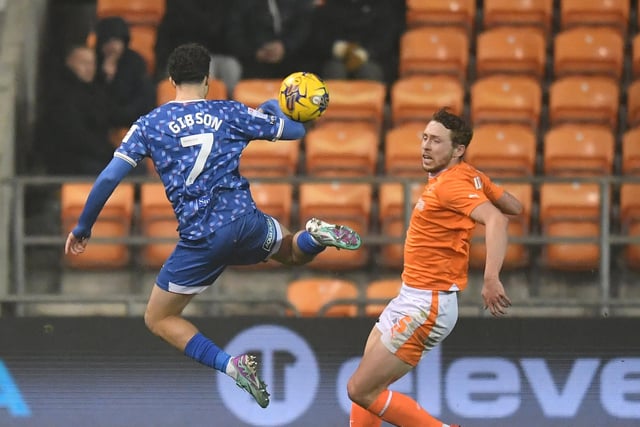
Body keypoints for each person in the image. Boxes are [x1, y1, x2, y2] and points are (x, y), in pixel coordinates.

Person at [64, 42, 361, 409]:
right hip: (245, 221)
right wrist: (271, 109)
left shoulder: (148, 125)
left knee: (158, 317)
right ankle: (316, 235)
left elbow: (109, 178)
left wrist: (83, 226)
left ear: (171, 79)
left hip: (201, 237)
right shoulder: (228, 112)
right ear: (208, 79)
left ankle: (233, 367)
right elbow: (295, 133)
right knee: (291, 252)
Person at [347, 109, 522, 427]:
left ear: (458, 150)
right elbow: (514, 206)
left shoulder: (451, 185)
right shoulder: (465, 177)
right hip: (411, 296)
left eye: (436, 141)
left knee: (359, 389)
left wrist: (491, 277)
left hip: (426, 303)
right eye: (425, 138)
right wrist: (482, 183)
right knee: (369, 383)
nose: (426, 147)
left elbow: (497, 219)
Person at [37, 44, 114, 175]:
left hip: (91, 156)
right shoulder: (62, 95)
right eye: (83, 63)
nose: (89, 68)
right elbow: (75, 136)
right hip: (70, 161)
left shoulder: (93, 91)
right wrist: (109, 154)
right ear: (69, 64)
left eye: (92, 63)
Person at [153, 0, 242, 96]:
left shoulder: (223, 5)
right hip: (183, 57)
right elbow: (165, 41)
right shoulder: (178, 5)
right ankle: (201, 108)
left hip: (216, 55)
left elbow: (230, 36)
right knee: (206, 67)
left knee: (231, 66)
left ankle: (229, 106)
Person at [310, 0, 404, 84]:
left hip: (371, 57)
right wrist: (338, 48)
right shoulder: (330, 6)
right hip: (336, 57)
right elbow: (320, 35)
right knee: (334, 71)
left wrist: (365, 53)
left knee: (370, 72)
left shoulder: (381, 6)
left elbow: (386, 37)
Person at [226, 0, 315, 79]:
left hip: (293, 56)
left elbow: (304, 26)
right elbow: (233, 32)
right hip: (252, 59)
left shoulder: (299, 4)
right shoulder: (241, 3)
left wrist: (285, 46)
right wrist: (255, 52)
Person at [93, 16, 156, 128]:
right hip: (97, 122)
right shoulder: (92, 61)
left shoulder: (135, 62)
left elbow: (144, 99)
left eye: (117, 40)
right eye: (108, 41)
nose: (113, 46)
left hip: (130, 120)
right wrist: (105, 78)